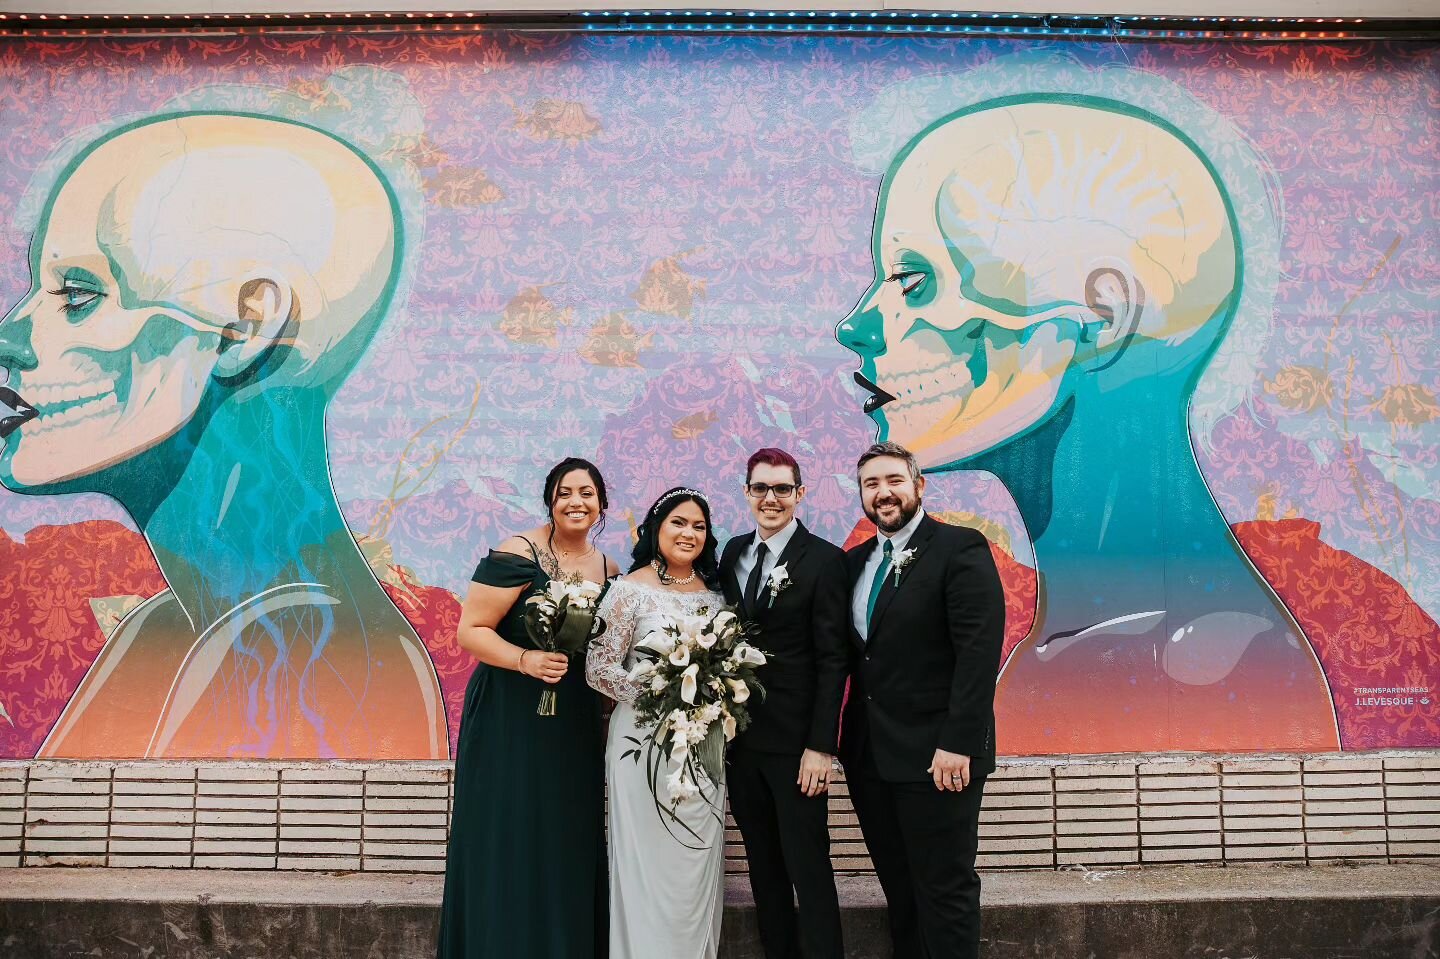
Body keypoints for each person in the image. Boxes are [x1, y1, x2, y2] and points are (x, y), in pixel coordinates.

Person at [835, 95, 1338, 752]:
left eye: (915, 279)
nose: (857, 325)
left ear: (1106, 314)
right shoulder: (1109, 638)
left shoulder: (1198, 660)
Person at [0, 112, 446, 759]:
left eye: (77, 292)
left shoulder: (310, 645)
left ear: (243, 330)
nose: (11, 335)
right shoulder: (173, 625)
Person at [437, 457, 618, 959]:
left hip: (573, 722)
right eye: (564, 493)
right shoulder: (518, 552)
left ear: (602, 503)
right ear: (550, 502)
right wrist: (525, 660)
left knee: (564, 834)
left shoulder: (610, 570)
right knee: (508, 830)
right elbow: (470, 631)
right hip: (508, 715)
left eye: (586, 492)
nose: (575, 502)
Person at [841, 442, 1004, 959]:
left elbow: (978, 655)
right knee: (901, 890)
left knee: (944, 889)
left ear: (918, 485)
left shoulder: (960, 549)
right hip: (871, 758)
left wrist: (959, 743)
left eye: (893, 480)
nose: (883, 493)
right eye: (871, 484)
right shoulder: (855, 563)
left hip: (939, 758)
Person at [718, 448, 848, 959]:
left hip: (797, 747)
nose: (770, 499)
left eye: (782, 489)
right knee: (762, 867)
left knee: (808, 867)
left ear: (800, 494)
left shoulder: (825, 560)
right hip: (741, 740)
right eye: (760, 488)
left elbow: (833, 659)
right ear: (748, 492)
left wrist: (821, 746)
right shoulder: (732, 552)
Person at [587, 487, 727, 959]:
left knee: (695, 858)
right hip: (640, 743)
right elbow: (598, 667)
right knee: (645, 861)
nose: (689, 533)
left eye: (699, 526)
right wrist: (660, 695)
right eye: (678, 522)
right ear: (655, 528)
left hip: (704, 745)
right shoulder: (628, 590)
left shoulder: (718, 594)